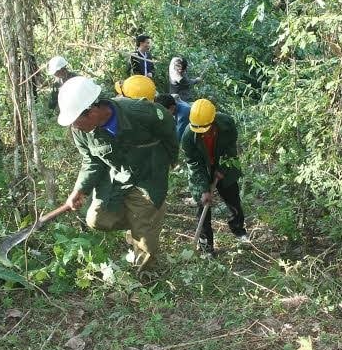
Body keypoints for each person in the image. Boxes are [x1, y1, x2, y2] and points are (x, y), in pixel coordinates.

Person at [58, 76, 178, 275]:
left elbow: (167, 125)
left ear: (92, 109)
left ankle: (144, 279)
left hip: (148, 176)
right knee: (97, 219)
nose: (74, 127)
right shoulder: (80, 131)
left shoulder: (139, 112)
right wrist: (80, 189)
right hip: (117, 178)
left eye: (76, 120)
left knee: (145, 247)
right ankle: (143, 221)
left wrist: (170, 158)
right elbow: (91, 160)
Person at [182, 98, 249, 256]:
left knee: (233, 200)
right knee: (202, 204)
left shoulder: (226, 123)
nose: (201, 132)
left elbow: (231, 148)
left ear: (213, 121)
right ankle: (206, 246)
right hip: (203, 168)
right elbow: (194, 163)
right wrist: (203, 189)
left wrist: (223, 168)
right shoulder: (188, 136)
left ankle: (239, 231)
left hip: (224, 164)